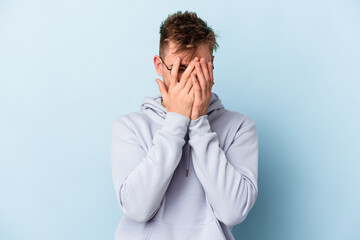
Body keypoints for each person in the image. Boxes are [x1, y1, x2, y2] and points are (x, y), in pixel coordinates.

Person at [110, 10, 258, 240]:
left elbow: (233, 211)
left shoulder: (239, 127)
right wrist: (176, 122)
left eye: (199, 68)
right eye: (180, 68)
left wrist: (198, 123)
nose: (190, 79)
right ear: (159, 66)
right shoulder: (129, 127)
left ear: (212, 67)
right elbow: (137, 209)